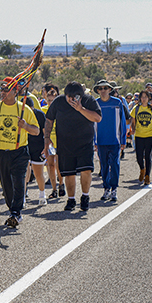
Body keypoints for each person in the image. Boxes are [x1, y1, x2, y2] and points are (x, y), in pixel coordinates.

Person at [0, 77, 40, 226]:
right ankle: (12, 209)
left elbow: (36, 131)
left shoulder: (24, 109)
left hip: (19, 151)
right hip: (1, 152)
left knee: (19, 182)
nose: (2, 92)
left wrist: (25, 126)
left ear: (15, 92)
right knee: (6, 184)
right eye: (1, 90)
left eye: (6, 90)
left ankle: (16, 212)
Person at [44, 81, 102, 212]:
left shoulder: (88, 100)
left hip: (85, 144)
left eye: (75, 97)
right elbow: (49, 119)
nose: (72, 100)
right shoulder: (58, 102)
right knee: (69, 173)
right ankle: (71, 199)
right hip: (65, 145)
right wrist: (47, 139)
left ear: (80, 96)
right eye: (69, 97)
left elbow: (97, 118)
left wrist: (80, 109)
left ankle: (85, 197)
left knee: (86, 170)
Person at [92, 80, 127, 203]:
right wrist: (94, 141)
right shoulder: (95, 104)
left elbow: (122, 122)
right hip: (101, 141)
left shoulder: (117, 103)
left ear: (110, 89)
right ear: (97, 90)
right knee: (104, 166)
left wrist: (123, 139)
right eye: (100, 88)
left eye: (105, 88)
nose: (103, 90)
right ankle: (106, 188)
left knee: (115, 165)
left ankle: (114, 189)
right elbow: (93, 124)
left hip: (115, 140)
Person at [130, 91, 152, 186]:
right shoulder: (136, 108)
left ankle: (147, 176)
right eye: (142, 97)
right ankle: (142, 169)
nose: (144, 99)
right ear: (140, 98)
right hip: (139, 135)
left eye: (145, 97)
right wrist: (133, 128)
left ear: (149, 98)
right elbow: (133, 121)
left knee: (148, 156)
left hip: (150, 135)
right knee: (139, 157)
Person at [23, 97, 48, 206]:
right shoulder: (20, 115)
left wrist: (46, 146)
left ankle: (42, 195)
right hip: (24, 146)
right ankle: (22, 197)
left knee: (38, 173)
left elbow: (44, 131)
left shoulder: (40, 115)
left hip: (38, 147)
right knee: (24, 173)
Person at [42, 83, 63, 199]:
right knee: (50, 165)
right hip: (49, 142)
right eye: (48, 99)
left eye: (53, 100)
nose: (50, 102)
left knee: (59, 165)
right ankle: (54, 189)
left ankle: (61, 184)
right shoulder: (43, 110)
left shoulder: (61, 110)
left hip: (60, 141)